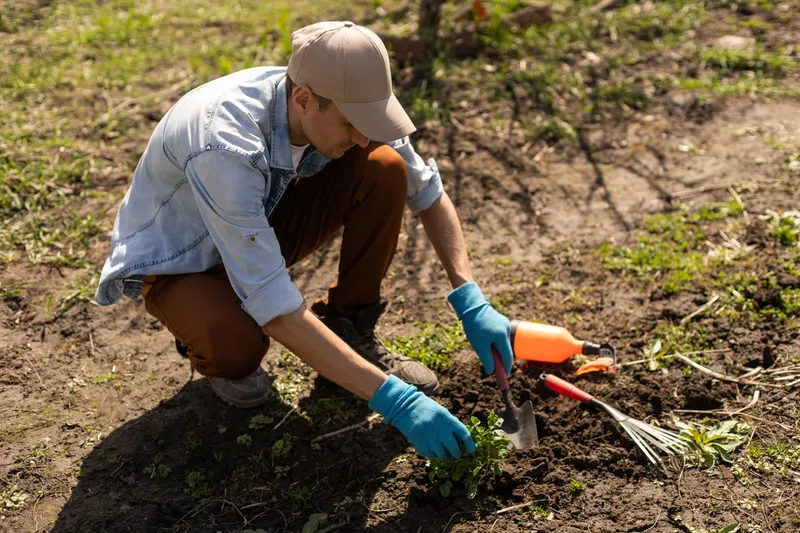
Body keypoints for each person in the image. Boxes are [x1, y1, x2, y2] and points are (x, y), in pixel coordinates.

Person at [95, 21, 514, 460]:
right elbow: (273, 303)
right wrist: (398, 402)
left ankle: (349, 325)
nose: (363, 136)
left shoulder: (351, 98)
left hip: (256, 222)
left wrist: (470, 298)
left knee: (386, 166)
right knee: (236, 347)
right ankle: (206, 327)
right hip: (183, 260)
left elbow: (426, 192)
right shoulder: (225, 142)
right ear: (304, 100)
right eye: (352, 124)